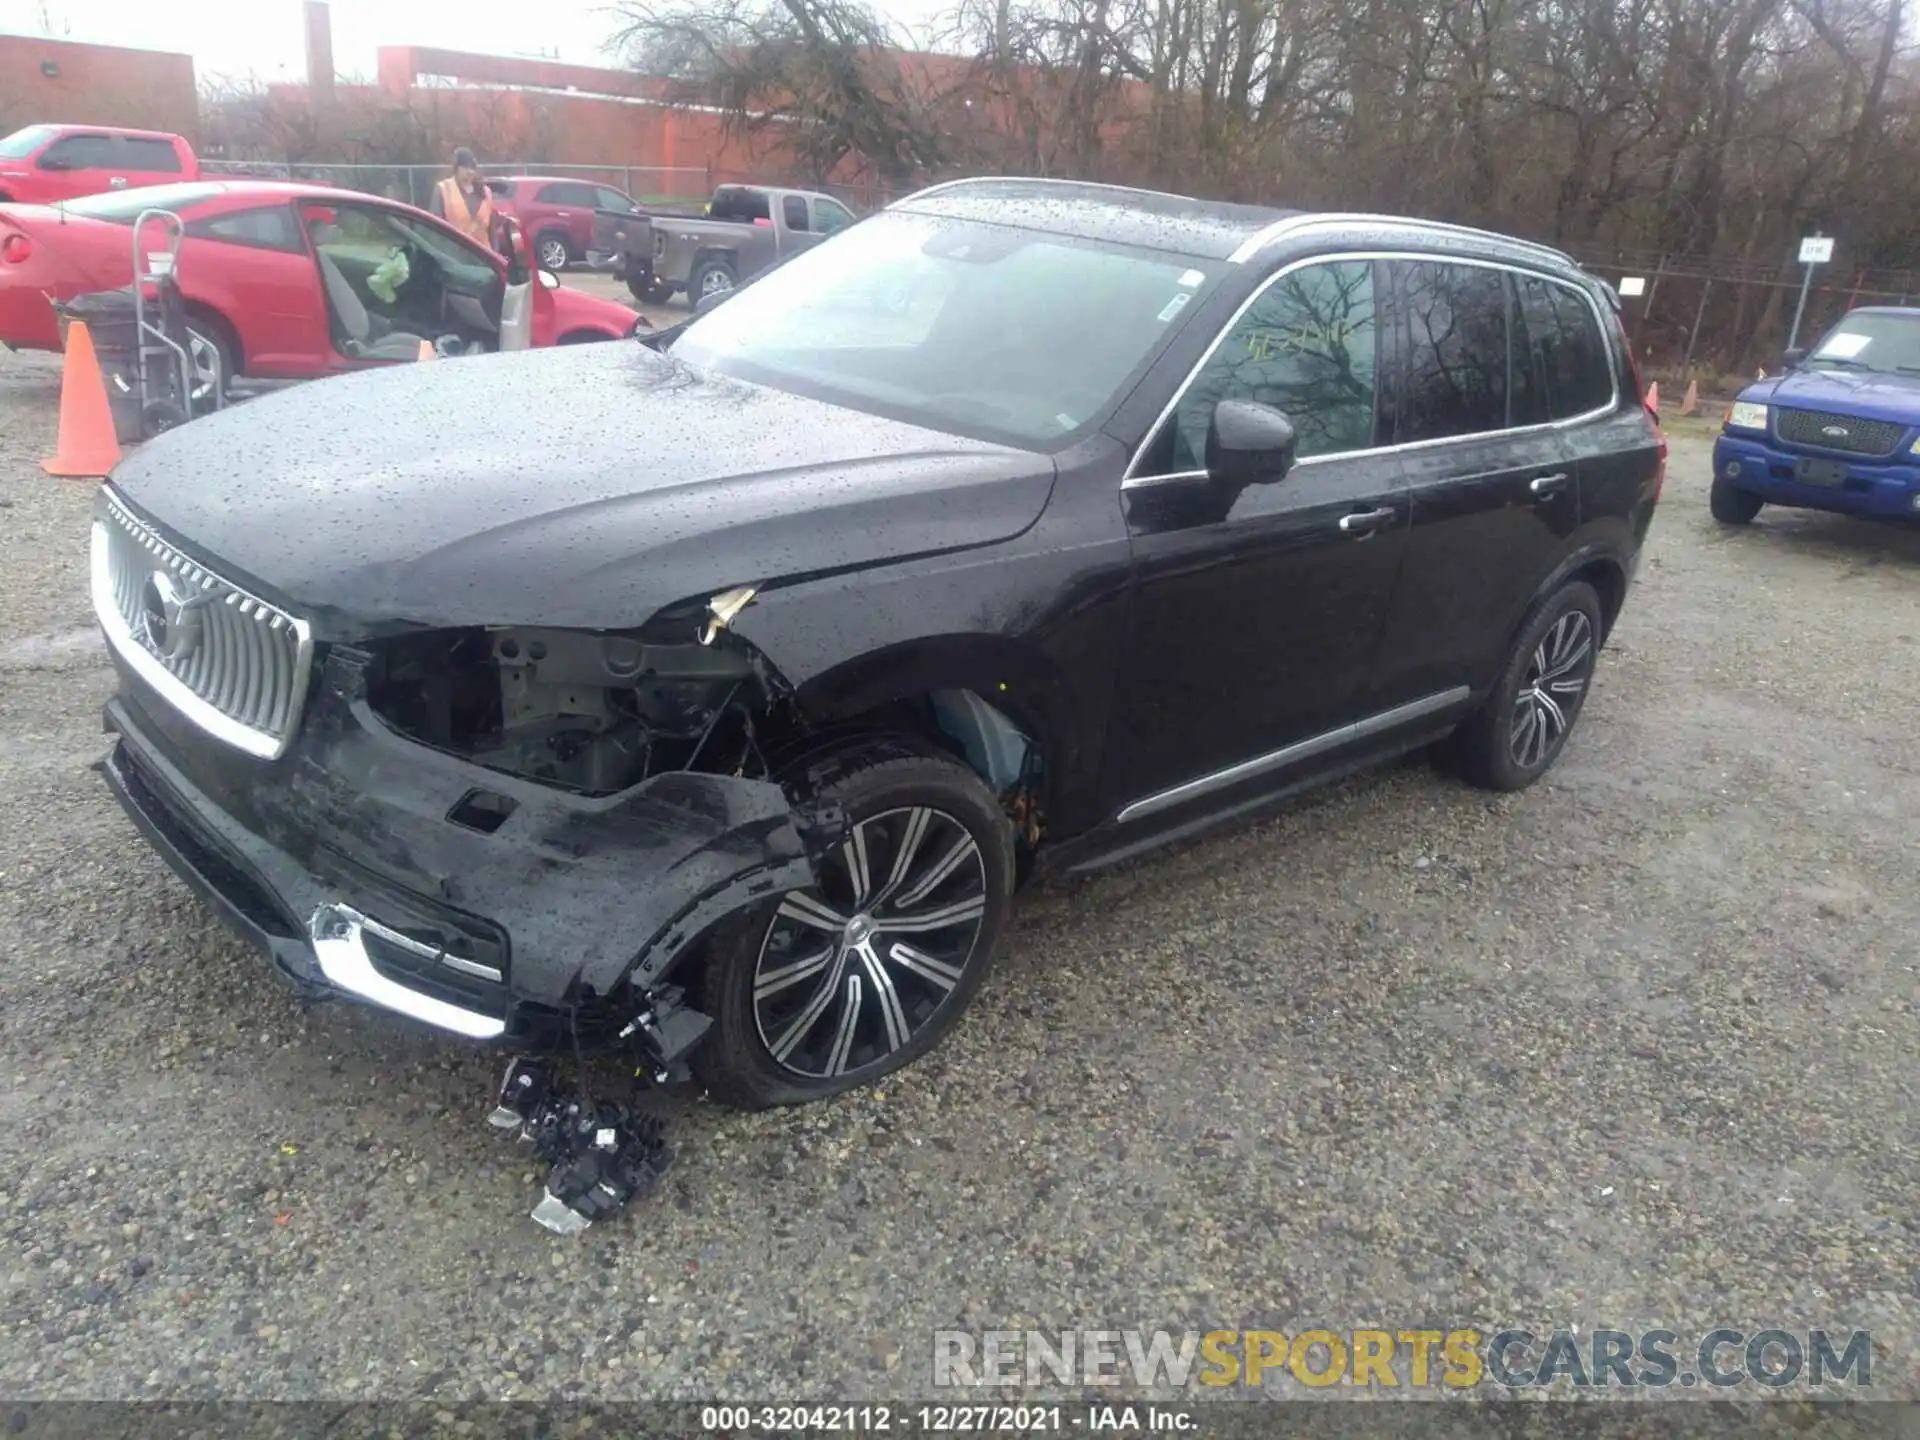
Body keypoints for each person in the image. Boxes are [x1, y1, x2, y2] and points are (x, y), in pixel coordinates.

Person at [430, 147, 495, 247]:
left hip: (482, 256)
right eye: (465, 167)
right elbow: (434, 228)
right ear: (456, 168)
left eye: (472, 168)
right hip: (455, 256)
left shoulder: (486, 192)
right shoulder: (444, 189)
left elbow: (492, 231)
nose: (469, 172)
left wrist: (495, 256)